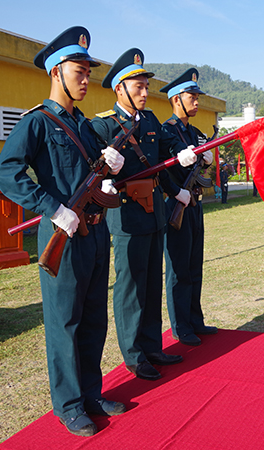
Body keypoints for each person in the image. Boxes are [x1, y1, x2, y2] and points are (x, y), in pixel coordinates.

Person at [0, 27, 126, 437]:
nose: (86, 79)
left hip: (95, 232)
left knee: (92, 318)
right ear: (56, 72)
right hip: (64, 237)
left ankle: (90, 393)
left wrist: (110, 177)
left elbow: (93, 175)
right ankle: (69, 405)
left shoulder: (86, 126)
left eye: (88, 71)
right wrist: (51, 208)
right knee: (64, 321)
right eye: (79, 71)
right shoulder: (37, 122)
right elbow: (6, 172)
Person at [91, 48, 194, 380]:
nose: (145, 93)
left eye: (147, 87)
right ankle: (134, 356)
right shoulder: (103, 125)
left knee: (151, 283)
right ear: (120, 88)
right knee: (131, 287)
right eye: (138, 87)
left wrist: (181, 161)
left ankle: (152, 346)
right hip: (127, 215)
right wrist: (107, 176)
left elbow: (161, 160)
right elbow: (92, 173)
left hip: (155, 213)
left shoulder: (149, 120)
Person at [160, 69, 217, 346]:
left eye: (197, 96)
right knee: (179, 268)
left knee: (195, 265)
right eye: (191, 97)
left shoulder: (194, 132)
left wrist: (205, 160)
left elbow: (202, 164)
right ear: (176, 99)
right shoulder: (166, 130)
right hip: (176, 204)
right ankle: (180, 326)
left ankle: (195, 319)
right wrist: (177, 191)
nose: (196, 101)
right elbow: (168, 161)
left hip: (195, 203)